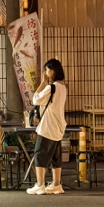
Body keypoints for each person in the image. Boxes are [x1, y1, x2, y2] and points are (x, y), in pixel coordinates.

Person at [27, 59, 68, 196]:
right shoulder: (63, 87)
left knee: (40, 154)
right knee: (56, 156)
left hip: (47, 126)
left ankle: (40, 185)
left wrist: (43, 82)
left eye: (46, 70)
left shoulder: (52, 87)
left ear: (52, 71)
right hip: (58, 126)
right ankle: (57, 184)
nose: (45, 73)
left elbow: (36, 99)